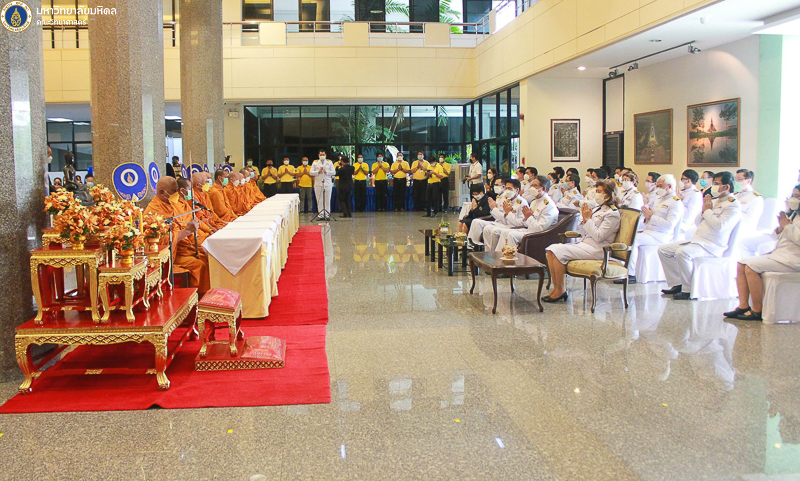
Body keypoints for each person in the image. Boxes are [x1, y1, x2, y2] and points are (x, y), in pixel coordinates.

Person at [658, 171, 741, 300]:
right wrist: (704, 210)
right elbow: (697, 222)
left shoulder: (733, 205)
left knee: (682, 253)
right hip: (698, 240)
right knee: (663, 250)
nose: (713, 187)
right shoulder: (715, 201)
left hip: (712, 245)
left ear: (727, 187)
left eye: (716, 184)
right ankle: (678, 283)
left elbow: (720, 226)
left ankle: (688, 289)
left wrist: (707, 211)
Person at [726, 184, 800, 321]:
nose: (794, 199)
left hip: (792, 259)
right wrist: (780, 229)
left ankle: (757, 309)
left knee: (751, 267)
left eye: (798, 196)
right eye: (793, 196)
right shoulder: (794, 214)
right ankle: (743, 306)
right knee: (741, 264)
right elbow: (777, 236)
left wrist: (787, 227)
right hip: (781, 255)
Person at [544, 179, 620, 302]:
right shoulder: (597, 209)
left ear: (607, 196)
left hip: (598, 249)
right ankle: (557, 288)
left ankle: (561, 290)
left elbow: (599, 236)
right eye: (596, 191)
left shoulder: (612, 214)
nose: (596, 194)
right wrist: (585, 220)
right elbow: (585, 233)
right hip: (586, 244)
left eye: (599, 191)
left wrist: (588, 220)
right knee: (551, 250)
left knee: (556, 251)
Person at [144, 177, 210, 295]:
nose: (177, 195)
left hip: (183, 247)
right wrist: (187, 231)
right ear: (162, 192)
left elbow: (182, 224)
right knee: (199, 265)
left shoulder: (170, 204)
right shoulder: (153, 211)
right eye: (173, 192)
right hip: (172, 254)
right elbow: (162, 241)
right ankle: (198, 297)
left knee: (206, 258)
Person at [618, 174, 684, 284]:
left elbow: (669, 225)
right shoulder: (659, 200)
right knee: (628, 235)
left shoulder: (675, 203)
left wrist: (651, 217)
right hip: (650, 231)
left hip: (662, 235)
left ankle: (631, 274)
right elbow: (650, 217)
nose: (658, 188)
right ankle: (621, 268)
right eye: (657, 185)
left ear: (669, 187)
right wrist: (647, 217)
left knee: (633, 240)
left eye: (661, 186)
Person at [496, 175, 559, 251]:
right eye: (532, 185)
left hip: (540, 235)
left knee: (511, 235)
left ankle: (511, 257)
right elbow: (526, 223)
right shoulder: (534, 202)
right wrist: (527, 218)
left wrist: (529, 217)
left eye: (535, 186)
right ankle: (498, 256)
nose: (532, 188)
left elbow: (540, 228)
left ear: (543, 188)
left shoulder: (549, 205)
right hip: (529, 230)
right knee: (505, 232)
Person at [467, 179, 529, 251]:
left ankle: (493, 253)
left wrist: (507, 213)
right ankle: (477, 247)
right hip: (502, 223)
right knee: (478, 223)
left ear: (517, 190)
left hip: (513, 226)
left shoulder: (522, 203)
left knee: (494, 231)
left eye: (510, 188)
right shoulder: (507, 200)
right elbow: (500, 217)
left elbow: (521, 223)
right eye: (506, 188)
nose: (507, 191)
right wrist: (493, 209)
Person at [676, 169, 704, 239]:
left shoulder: (695, 194)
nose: (681, 181)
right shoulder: (682, 192)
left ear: (688, 181)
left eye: (682, 179)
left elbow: (690, 216)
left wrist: (679, 202)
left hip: (686, 226)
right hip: (677, 221)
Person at [310, 149, 335, 221]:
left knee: (327, 199)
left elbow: (334, 172)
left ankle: (327, 215)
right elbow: (311, 172)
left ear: (325, 155)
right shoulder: (315, 163)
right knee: (319, 199)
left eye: (323, 155)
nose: (322, 156)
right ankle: (320, 215)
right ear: (318, 155)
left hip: (327, 183)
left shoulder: (329, 162)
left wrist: (327, 172)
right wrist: (318, 171)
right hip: (318, 183)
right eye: (321, 155)